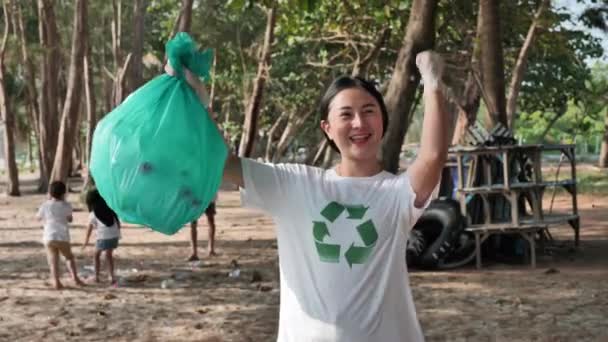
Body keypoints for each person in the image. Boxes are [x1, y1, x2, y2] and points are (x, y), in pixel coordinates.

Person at [167, 50, 449, 342]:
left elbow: (433, 156)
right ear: (327, 128)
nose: (359, 124)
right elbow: (223, 163)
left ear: (382, 121)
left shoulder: (397, 194)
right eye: (346, 115)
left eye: (368, 111)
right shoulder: (295, 184)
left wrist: (432, 83)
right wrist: (196, 101)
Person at [36, 181, 85, 290]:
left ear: (49, 192)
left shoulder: (45, 205)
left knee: (53, 260)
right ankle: (75, 278)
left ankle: (56, 282)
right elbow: (70, 219)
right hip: (62, 237)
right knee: (69, 258)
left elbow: (38, 217)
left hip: (49, 237)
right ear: (64, 193)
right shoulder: (66, 205)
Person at [83, 189, 121, 284]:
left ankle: (96, 276)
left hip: (103, 237)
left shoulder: (93, 214)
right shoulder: (110, 208)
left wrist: (86, 241)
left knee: (96, 255)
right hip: (114, 236)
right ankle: (112, 277)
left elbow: (89, 229)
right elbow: (118, 223)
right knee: (108, 255)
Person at [187, 194, 218, 261]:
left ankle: (211, 249)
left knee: (210, 221)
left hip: (208, 196)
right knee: (194, 223)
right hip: (195, 196)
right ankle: (194, 252)